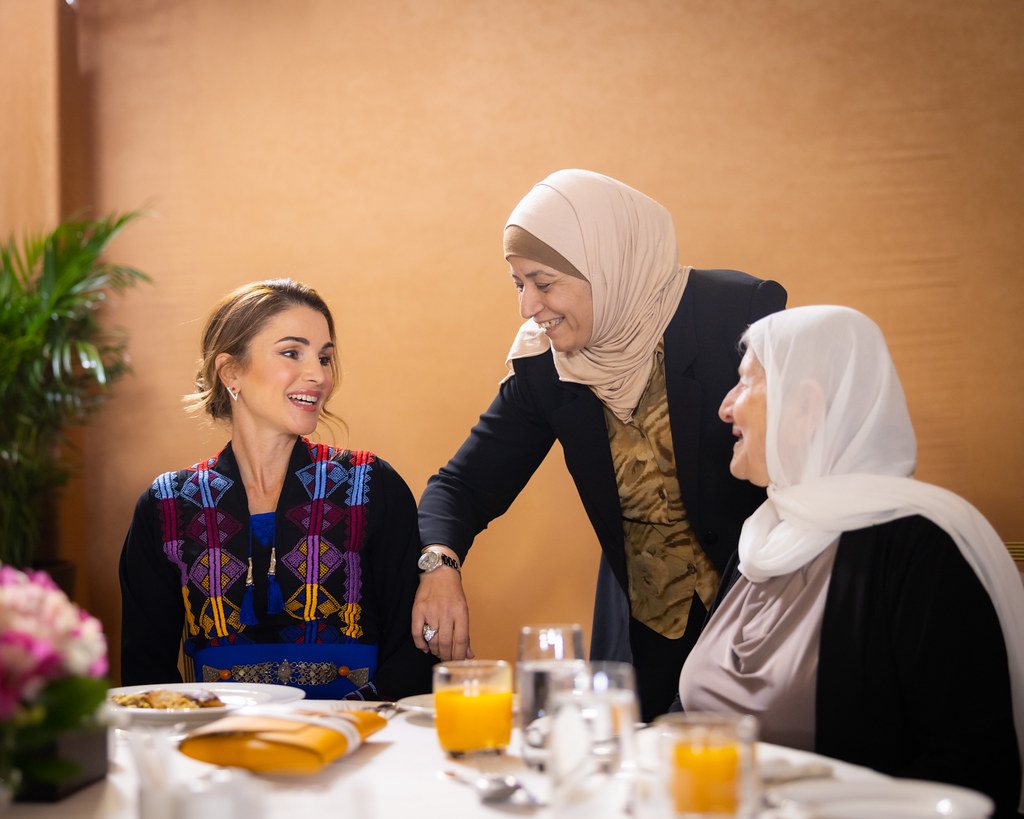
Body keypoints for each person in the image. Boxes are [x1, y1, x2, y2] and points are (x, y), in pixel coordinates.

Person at [414, 169, 787, 721]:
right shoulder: (546, 365)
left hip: (761, 615)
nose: (528, 307)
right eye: (518, 284)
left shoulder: (736, 314)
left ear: (606, 265)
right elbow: (462, 486)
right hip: (643, 640)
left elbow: (808, 453)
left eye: (543, 283)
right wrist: (439, 565)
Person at [679, 305, 1024, 816]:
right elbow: (689, 712)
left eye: (745, 383)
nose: (725, 407)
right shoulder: (761, 538)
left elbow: (973, 772)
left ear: (806, 407)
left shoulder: (920, 550)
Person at [119, 279, 435, 700]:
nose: (318, 375)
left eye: (324, 358)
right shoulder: (167, 506)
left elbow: (415, 654)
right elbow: (145, 674)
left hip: (357, 735)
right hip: (222, 738)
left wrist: (342, 725)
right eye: (292, 353)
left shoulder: (371, 485)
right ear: (231, 372)